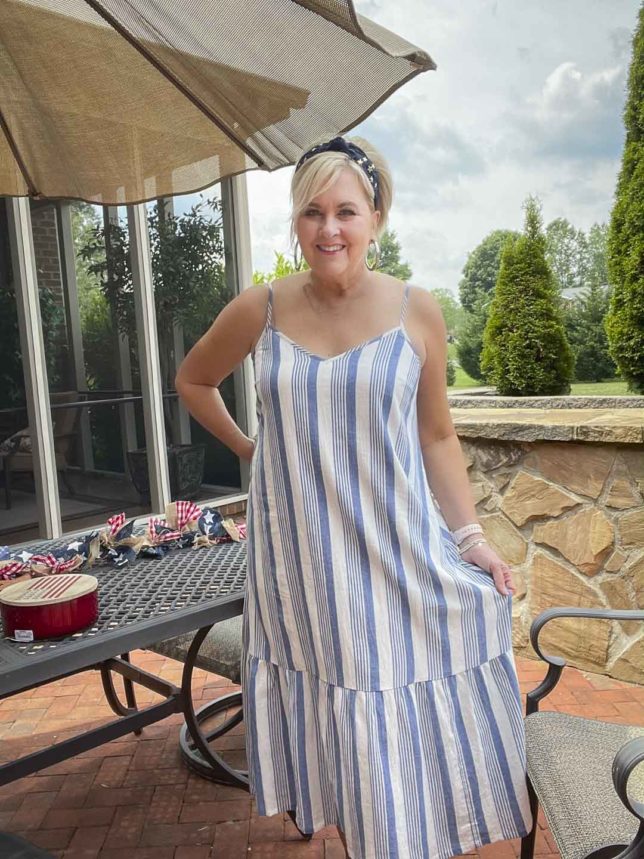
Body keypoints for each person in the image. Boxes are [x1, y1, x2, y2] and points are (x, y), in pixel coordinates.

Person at [175, 135, 533, 859]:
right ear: (296, 223)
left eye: (346, 210)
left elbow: (437, 438)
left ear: (376, 218)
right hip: (302, 567)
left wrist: (471, 539)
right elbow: (193, 379)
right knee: (338, 706)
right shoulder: (262, 309)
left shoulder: (416, 311)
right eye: (312, 212)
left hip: (395, 550)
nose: (329, 229)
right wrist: (253, 449)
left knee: (388, 696)